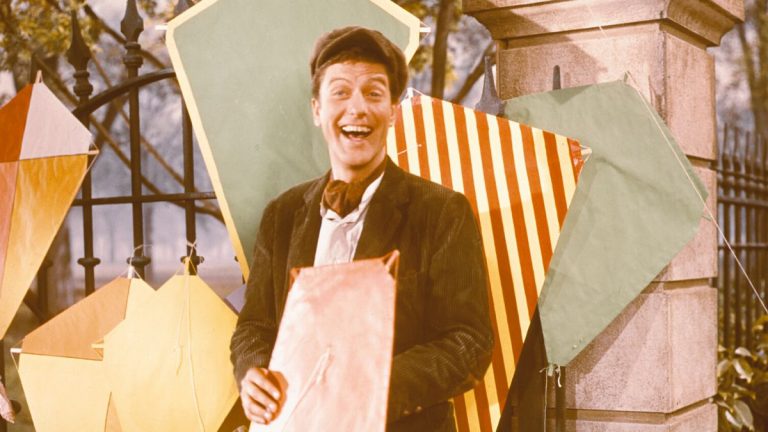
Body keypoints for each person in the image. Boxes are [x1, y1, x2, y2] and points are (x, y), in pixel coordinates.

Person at [230, 26, 493, 431]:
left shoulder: (441, 212)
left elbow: (468, 343)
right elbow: (254, 327)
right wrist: (253, 371)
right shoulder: (281, 215)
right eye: (340, 92)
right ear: (317, 109)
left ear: (393, 111)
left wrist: (372, 386)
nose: (357, 108)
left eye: (373, 93)